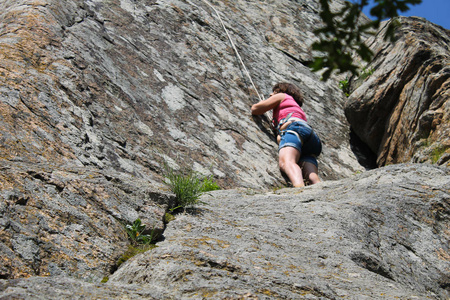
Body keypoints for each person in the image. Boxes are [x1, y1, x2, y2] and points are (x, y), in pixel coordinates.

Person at [251, 82, 322, 187]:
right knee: (312, 177)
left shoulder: (282, 96)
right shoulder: (296, 108)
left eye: (274, 92)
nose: (271, 95)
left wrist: (261, 103)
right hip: (311, 139)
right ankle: (320, 190)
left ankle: (300, 191)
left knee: (287, 163)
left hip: (294, 129)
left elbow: (255, 109)